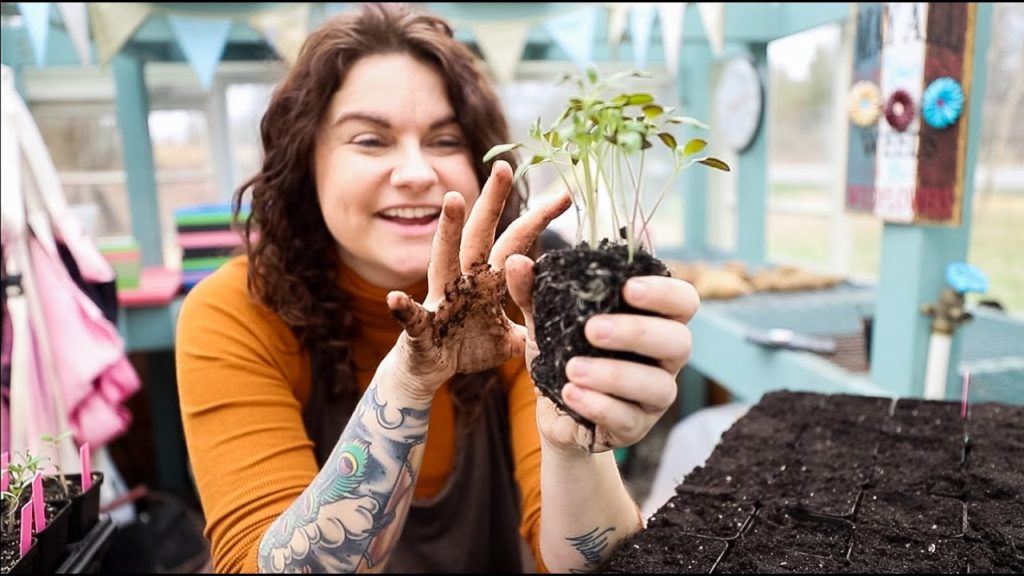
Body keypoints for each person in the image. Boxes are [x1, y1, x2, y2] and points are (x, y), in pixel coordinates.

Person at [175, 4, 699, 573]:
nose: (416, 173)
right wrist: (409, 379)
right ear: (306, 160)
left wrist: (573, 447)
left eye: (445, 141)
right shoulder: (236, 310)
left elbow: (588, 563)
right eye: (370, 140)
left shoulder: (518, 289)